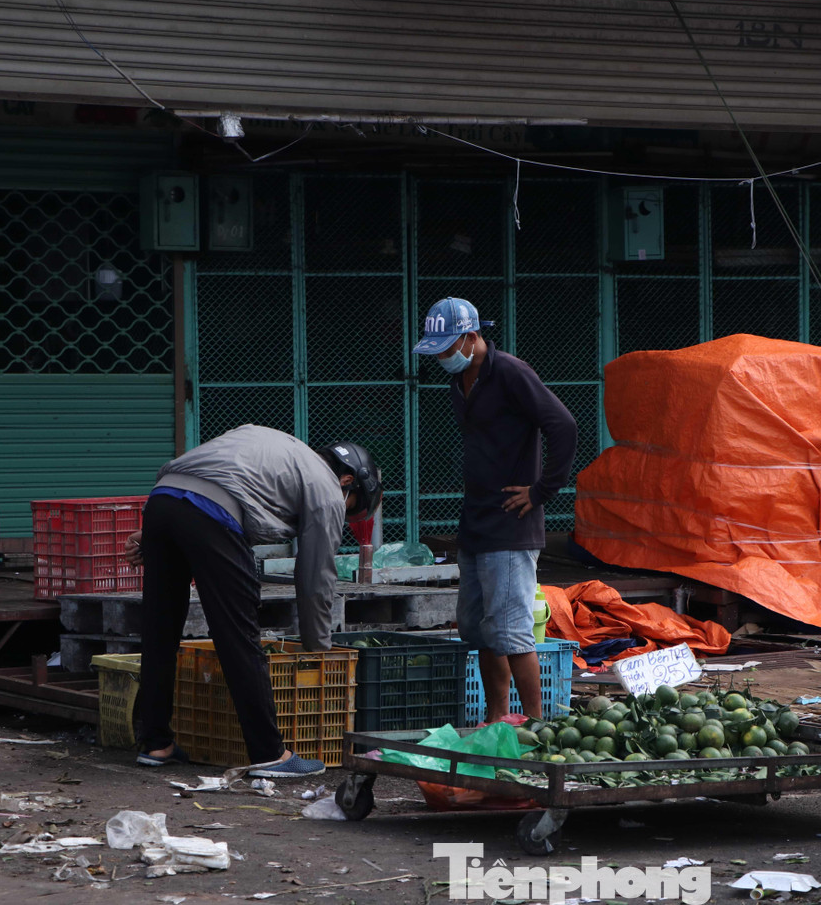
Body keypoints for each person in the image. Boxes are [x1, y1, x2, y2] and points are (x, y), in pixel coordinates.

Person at [124, 425, 381, 777]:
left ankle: (155, 742)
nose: (343, 511)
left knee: (160, 628)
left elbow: (197, 483)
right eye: (350, 506)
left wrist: (160, 533)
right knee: (239, 635)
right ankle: (270, 754)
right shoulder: (326, 488)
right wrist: (318, 648)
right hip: (211, 513)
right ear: (347, 480)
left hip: (163, 500)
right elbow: (314, 578)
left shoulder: (281, 448)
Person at [413, 297, 576, 722]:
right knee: (480, 629)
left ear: (470, 338)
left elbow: (563, 425)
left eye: (448, 348)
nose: (443, 357)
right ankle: (497, 718)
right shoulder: (462, 378)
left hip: (511, 523)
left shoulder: (510, 372)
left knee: (511, 631)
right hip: (477, 522)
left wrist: (541, 491)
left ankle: (540, 726)